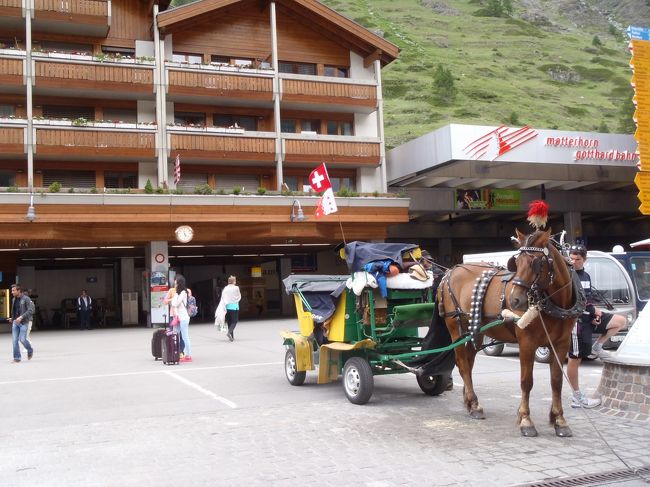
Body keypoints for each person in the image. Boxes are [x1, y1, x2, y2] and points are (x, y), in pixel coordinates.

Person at [567, 244, 626, 408]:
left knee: (620, 321)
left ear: (584, 260)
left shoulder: (586, 275)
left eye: (577, 259)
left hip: (589, 316)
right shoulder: (567, 275)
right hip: (577, 321)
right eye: (571, 258)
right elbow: (573, 301)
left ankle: (598, 346)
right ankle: (576, 397)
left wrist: (595, 312)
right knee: (575, 358)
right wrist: (591, 311)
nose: (573, 261)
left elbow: (587, 298)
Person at [9, 284, 35, 363]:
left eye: (13, 290)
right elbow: (15, 311)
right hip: (15, 323)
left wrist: (21, 317)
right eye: (12, 290)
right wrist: (12, 318)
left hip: (24, 322)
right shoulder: (14, 299)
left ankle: (30, 350)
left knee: (22, 339)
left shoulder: (26, 299)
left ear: (19, 291)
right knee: (14, 340)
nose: (12, 292)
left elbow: (31, 310)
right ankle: (17, 358)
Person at [170, 275, 192, 362]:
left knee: (185, 336)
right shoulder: (177, 293)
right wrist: (175, 297)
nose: (175, 283)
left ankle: (188, 355)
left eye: (176, 282)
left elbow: (176, 303)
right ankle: (176, 353)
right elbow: (173, 303)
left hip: (183, 317)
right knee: (175, 335)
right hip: (177, 317)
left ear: (179, 283)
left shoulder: (184, 293)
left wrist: (174, 298)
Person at [219, 275, 241, 342]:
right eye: (235, 280)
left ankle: (232, 336)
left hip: (227, 307)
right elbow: (238, 296)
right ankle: (229, 333)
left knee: (229, 321)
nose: (235, 281)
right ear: (233, 281)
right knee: (235, 321)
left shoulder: (225, 288)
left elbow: (223, 297)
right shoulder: (236, 288)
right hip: (234, 307)